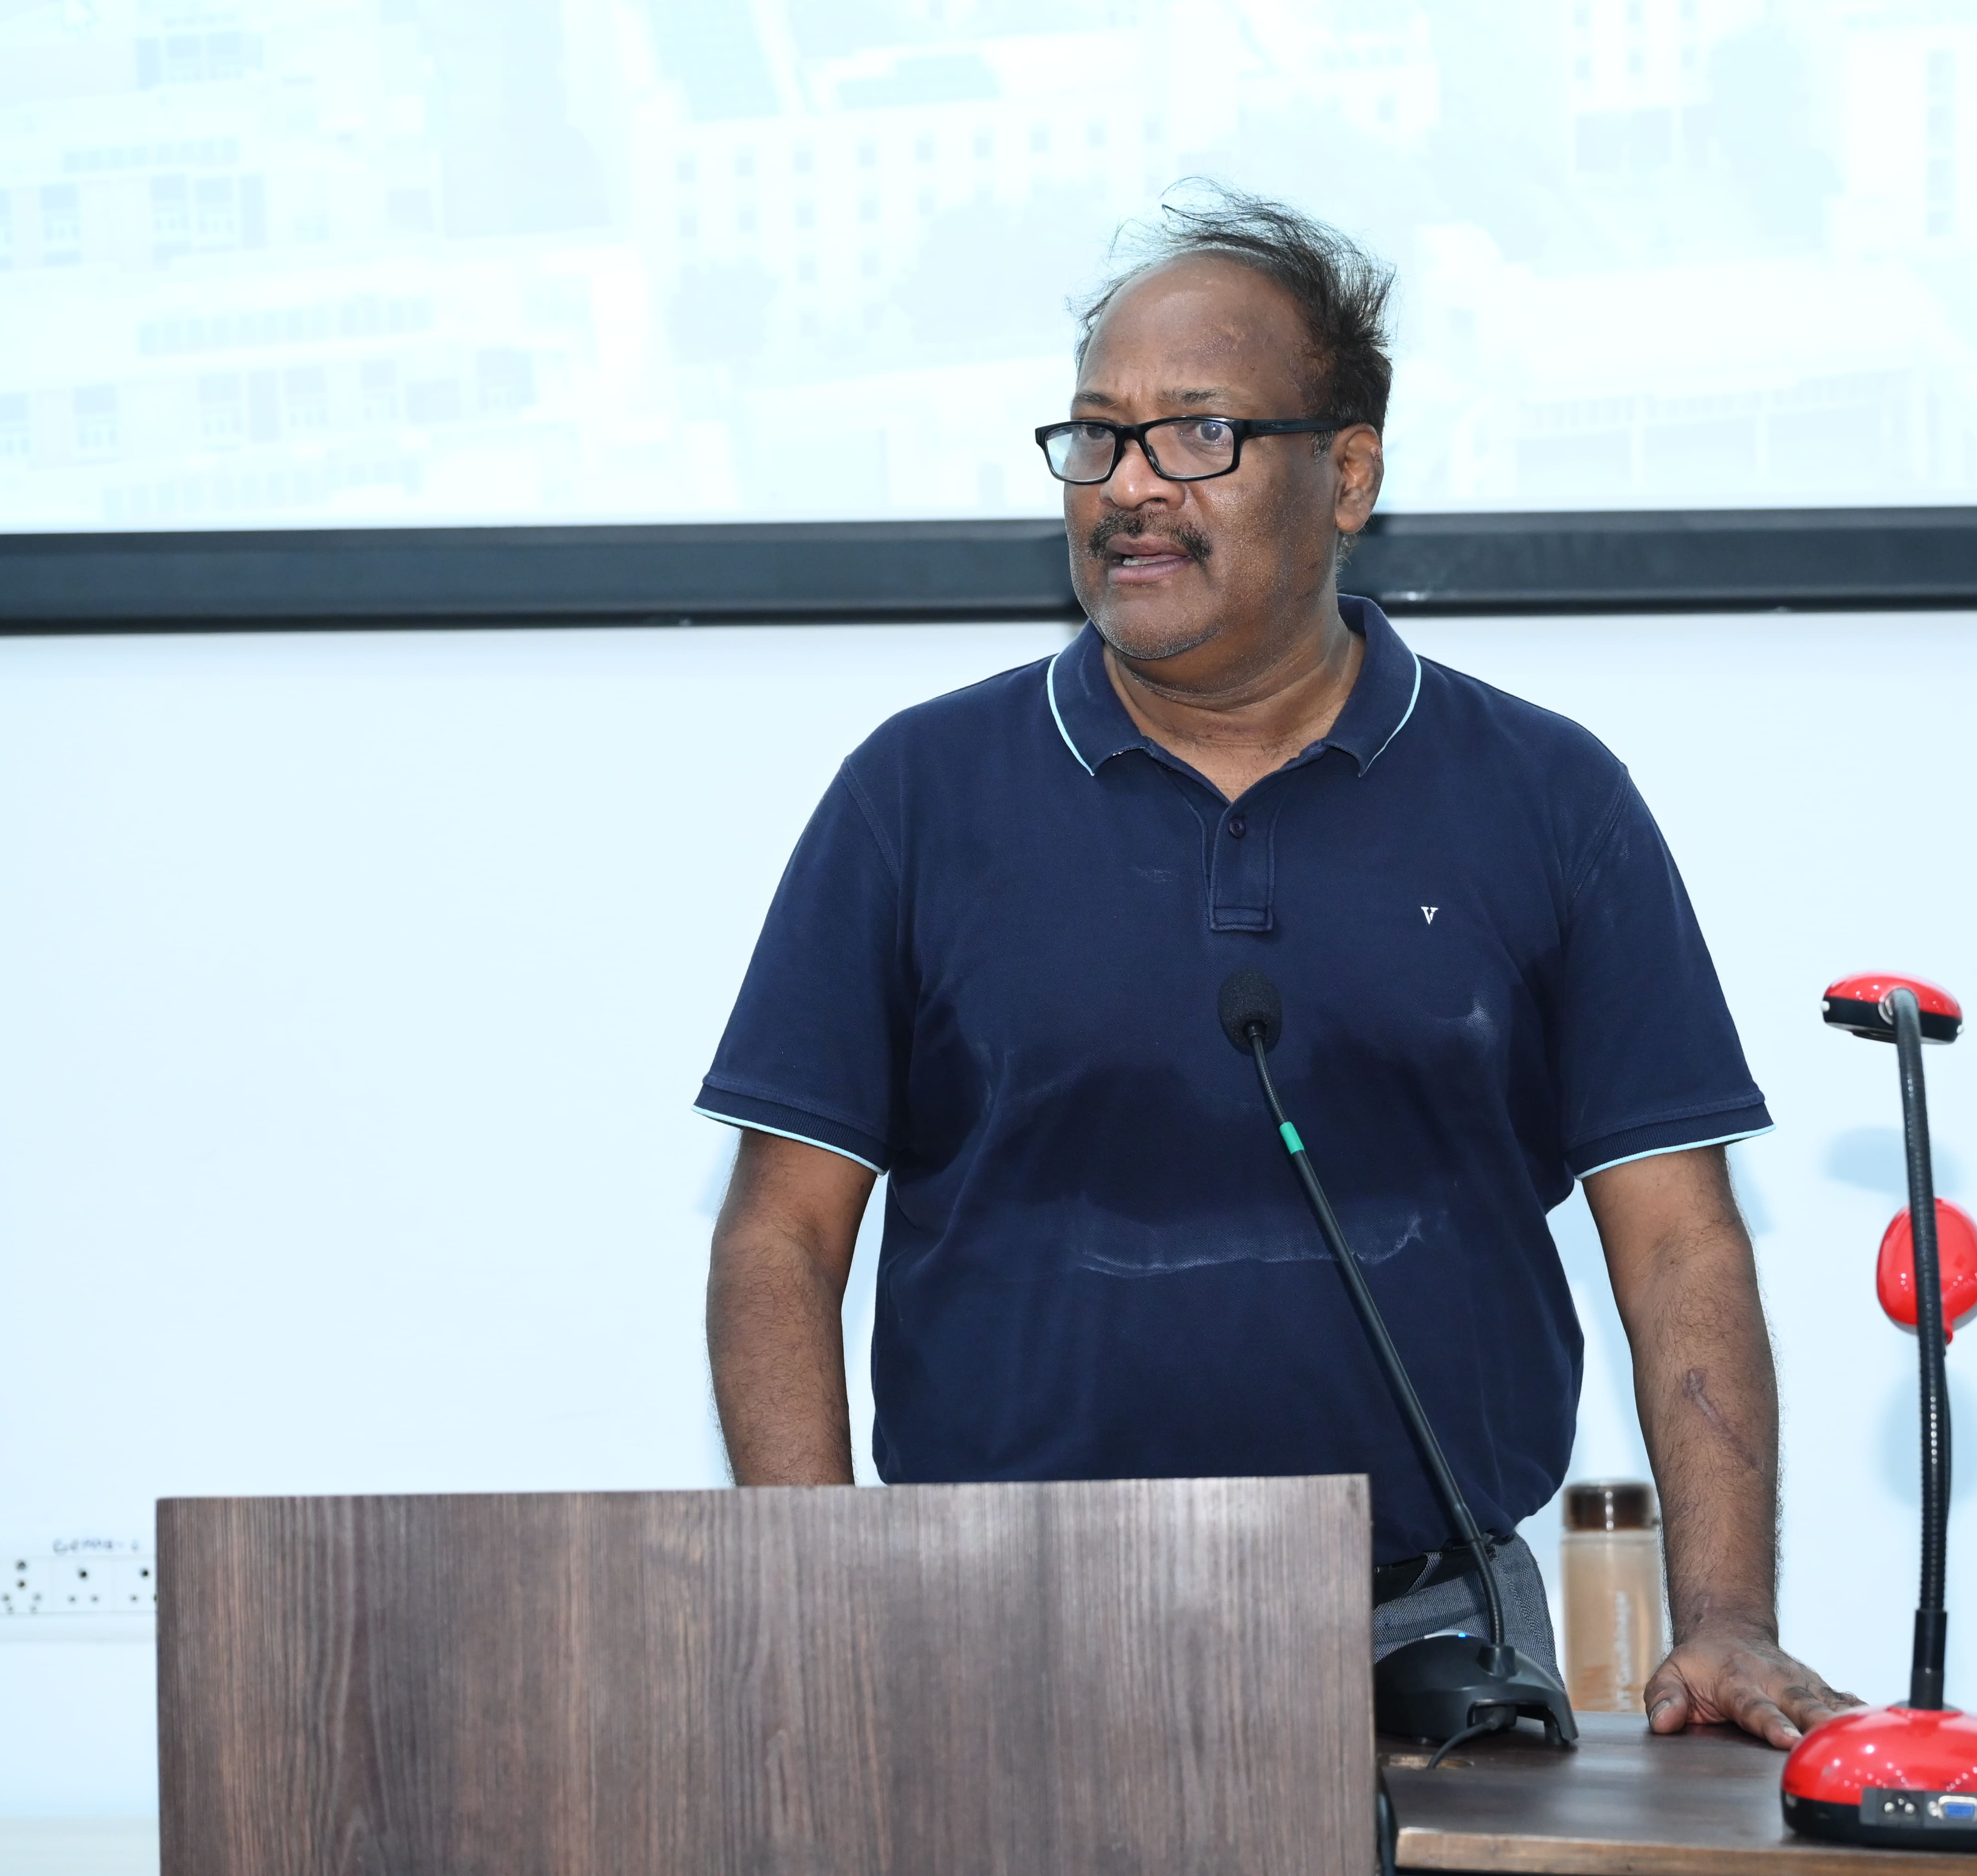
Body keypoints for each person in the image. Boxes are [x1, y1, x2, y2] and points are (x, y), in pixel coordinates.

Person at [698, 188, 1857, 1745]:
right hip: (990, 1639)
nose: (1130, 486)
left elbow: (1678, 1244)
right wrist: (819, 1601)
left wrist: (1724, 1621)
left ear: (1350, 474)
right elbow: (781, 1235)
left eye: (1199, 434)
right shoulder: (918, 796)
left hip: (1422, 1648)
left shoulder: (1545, 799)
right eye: (1097, 436)